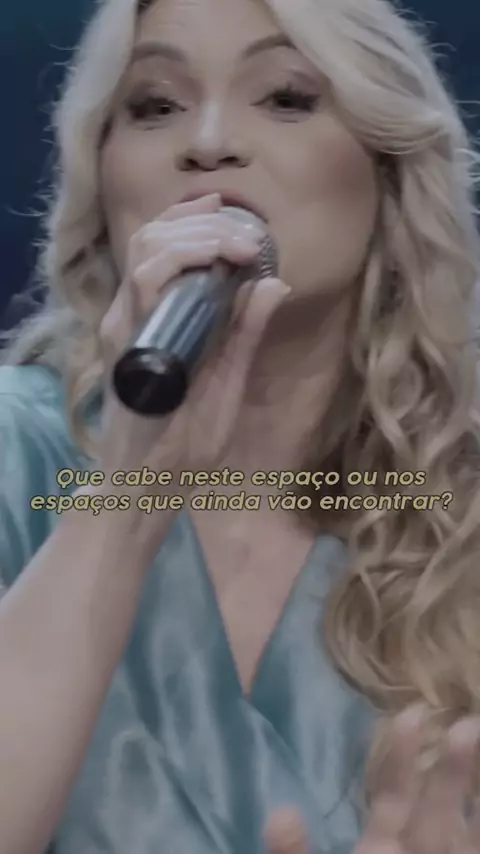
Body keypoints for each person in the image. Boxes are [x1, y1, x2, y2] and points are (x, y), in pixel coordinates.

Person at [1, 0, 480, 851]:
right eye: (155, 104)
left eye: (286, 97)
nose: (209, 142)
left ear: (388, 167)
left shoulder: (461, 498)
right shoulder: (15, 452)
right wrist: (131, 490)